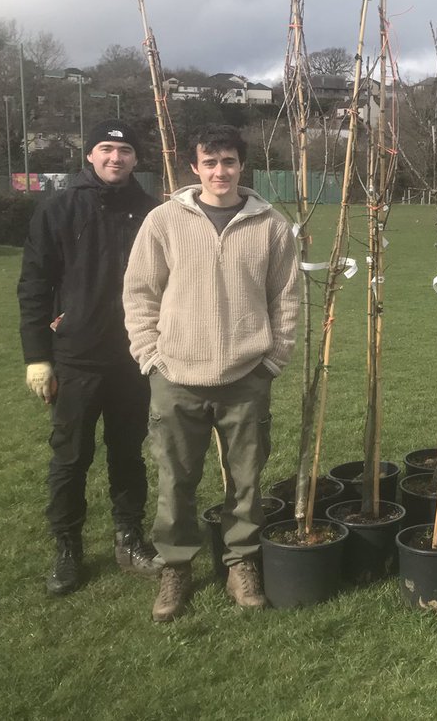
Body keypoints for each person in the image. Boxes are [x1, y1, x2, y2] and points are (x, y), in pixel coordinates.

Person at [123, 124, 299, 622]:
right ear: (194, 168)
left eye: (229, 162)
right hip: (176, 375)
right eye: (210, 162)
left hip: (246, 376)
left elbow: (285, 298)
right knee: (175, 479)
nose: (219, 171)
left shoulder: (270, 226)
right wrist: (150, 354)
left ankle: (241, 563)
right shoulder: (163, 221)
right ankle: (176, 567)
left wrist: (273, 359)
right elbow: (140, 292)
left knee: (246, 480)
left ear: (242, 167)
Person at [17, 120, 162, 596]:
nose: (115, 158)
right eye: (106, 149)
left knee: (128, 454)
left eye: (124, 150)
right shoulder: (59, 208)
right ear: (91, 156)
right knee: (70, 458)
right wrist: (37, 355)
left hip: (134, 357)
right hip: (75, 358)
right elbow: (35, 285)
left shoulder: (150, 211)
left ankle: (129, 536)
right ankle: (67, 547)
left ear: (136, 159)